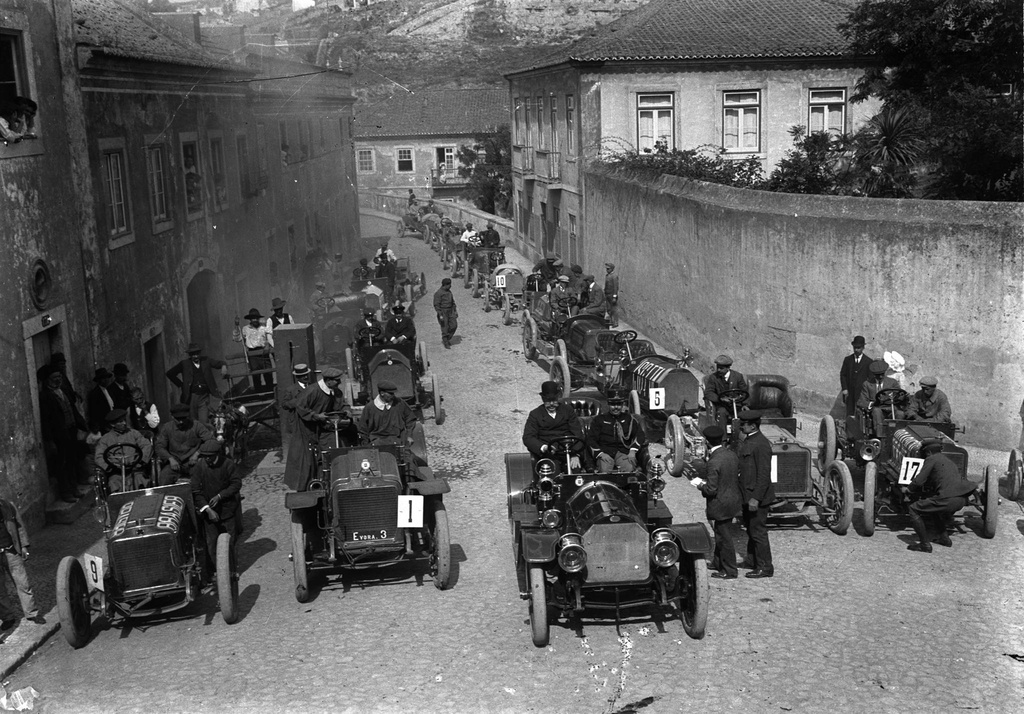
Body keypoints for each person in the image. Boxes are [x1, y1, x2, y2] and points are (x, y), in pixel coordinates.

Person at [906, 438, 976, 552]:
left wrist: (908, 489)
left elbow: (919, 481)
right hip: (961, 500)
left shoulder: (931, 459)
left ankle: (925, 545)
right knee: (933, 510)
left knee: (913, 509)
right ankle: (944, 538)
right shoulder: (948, 461)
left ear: (928, 452)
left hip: (947, 499)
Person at [284, 366, 349, 491]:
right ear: (328, 380)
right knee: (306, 459)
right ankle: (306, 487)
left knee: (330, 450)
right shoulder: (312, 390)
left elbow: (341, 404)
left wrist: (346, 410)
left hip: (322, 426)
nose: (339, 382)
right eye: (337, 380)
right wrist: (315, 415)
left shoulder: (335, 391)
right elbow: (300, 406)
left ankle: (330, 480)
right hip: (305, 427)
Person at [691, 425, 742, 579]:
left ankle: (729, 570)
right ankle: (717, 562)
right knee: (720, 532)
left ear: (707, 443)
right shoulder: (731, 455)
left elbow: (711, 490)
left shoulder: (714, 462)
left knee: (723, 536)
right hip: (732, 500)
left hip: (720, 504)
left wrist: (700, 484)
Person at [191, 438, 242, 584]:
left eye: (210, 456)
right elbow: (195, 490)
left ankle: (231, 571)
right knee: (211, 543)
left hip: (227, 511)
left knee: (230, 542)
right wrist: (207, 509)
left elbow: (236, 483)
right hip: (209, 514)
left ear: (217, 454)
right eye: (205, 456)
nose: (208, 459)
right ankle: (216, 573)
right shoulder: (200, 467)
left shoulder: (227, 465)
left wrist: (220, 496)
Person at [37, 364, 84, 503]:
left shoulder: (63, 391)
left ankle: (74, 487)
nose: (58, 379)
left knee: (72, 460)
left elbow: (73, 410)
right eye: (55, 377)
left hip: (71, 431)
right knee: (62, 464)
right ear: (48, 380)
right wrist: (50, 440)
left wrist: (80, 425)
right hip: (59, 436)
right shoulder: (46, 396)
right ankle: (66, 492)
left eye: (59, 376)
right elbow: (45, 420)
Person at [737, 409, 774, 578]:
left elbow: (764, 475)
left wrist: (756, 498)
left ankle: (765, 567)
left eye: (743, 424)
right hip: (748, 496)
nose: (740, 426)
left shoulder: (761, 444)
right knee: (751, 530)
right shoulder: (750, 440)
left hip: (756, 498)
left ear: (752, 426)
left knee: (758, 532)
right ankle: (752, 560)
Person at [0, 496, 44, 630]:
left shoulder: (8, 506)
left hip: (11, 551)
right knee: (0, 590)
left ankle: (32, 613)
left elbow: (19, 527)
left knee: (23, 583)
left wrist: (23, 546)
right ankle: (7, 617)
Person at [522, 381, 584, 469]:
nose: (551, 404)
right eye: (548, 400)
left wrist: (576, 454)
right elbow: (528, 437)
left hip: (568, 451)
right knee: (552, 473)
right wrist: (543, 447)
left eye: (554, 400)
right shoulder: (535, 414)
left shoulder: (567, 410)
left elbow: (577, 433)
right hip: (548, 455)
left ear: (558, 397)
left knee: (576, 475)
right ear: (543, 399)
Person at [165, 343, 228, 425]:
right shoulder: (184, 364)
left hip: (204, 397)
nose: (195, 356)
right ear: (190, 355)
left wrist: (224, 366)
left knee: (204, 421)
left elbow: (219, 363)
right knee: (193, 421)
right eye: (193, 354)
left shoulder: (206, 361)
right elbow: (170, 373)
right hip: (191, 397)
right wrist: (181, 385)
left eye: (197, 353)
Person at [586, 389, 646, 472]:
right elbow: (591, 439)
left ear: (622, 405)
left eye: (619, 404)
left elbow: (639, 435)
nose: (616, 407)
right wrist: (600, 454)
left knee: (628, 469)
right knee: (604, 470)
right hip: (605, 453)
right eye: (613, 404)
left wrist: (633, 451)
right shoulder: (599, 420)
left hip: (623, 453)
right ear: (608, 404)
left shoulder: (629, 419)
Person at [94, 409, 153, 493]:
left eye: (124, 420)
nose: (124, 423)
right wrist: (109, 467)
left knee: (140, 481)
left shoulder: (133, 433)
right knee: (114, 484)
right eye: (120, 422)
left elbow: (146, 445)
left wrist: (141, 461)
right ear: (112, 424)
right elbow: (99, 456)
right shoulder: (105, 439)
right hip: (116, 472)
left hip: (135, 469)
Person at [155, 403, 213, 486]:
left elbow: (211, 441)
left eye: (184, 418)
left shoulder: (197, 426)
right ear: (172, 416)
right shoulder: (167, 428)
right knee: (164, 478)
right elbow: (159, 447)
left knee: (204, 477)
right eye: (178, 419)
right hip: (175, 462)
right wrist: (170, 458)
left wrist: (197, 454)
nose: (181, 421)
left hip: (193, 462)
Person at [358, 381, 416, 445]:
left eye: (393, 393)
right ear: (382, 393)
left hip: (398, 440)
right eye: (390, 393)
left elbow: (410, 419)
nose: (393, 396)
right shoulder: (369, 407)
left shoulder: (400, 403)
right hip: (376, 442)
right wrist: (365, 444)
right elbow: (363, 428)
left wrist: (409, 435)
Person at [857, 360, 905, 434]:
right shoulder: (867, 384)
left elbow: (899, 394)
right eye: (878, 375)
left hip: (891, 408)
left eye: (882, 374)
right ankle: (881, 436)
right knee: (877, 411)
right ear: (873, 374)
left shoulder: (893, 382)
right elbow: (862, 401)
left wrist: (899, 398)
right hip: (877, 409)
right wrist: (873, 403)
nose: (881, 376)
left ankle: (897, 436)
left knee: (900, 413)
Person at [233, 308, 274, 394]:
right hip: (252, 353)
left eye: (256, 318)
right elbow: (237, 338)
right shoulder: (245, 329)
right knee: (256, 374)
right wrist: (237, 326)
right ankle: (259, 394)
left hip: (263, 352)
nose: (255, 320)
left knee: (268, 373)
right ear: (250, 319)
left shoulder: (264, 327)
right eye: (253, 318)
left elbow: (270, 338)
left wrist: (268, 345)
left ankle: (271, 392)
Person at [704, 355, 748, 431]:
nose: (718, 370)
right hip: (722, 405)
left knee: (744, 415)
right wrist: (720, 399)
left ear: (728, 368)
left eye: (721, 368)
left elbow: (744, 392)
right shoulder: (713, 377)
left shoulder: (738, 376)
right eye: (718, 367)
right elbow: (708, 392)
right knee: (721, 413)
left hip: (736, 405)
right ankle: (723, 439)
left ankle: (740, 438)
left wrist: (744, 404)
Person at [840, 335, 874, 418]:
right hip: (850, 392)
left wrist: (867, 393)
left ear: (863, 348)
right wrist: (844, 389)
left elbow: (870, 378)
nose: (856, 350)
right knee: (849, 412)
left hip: (862, 392)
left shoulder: (868, 361)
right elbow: (843, 374)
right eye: (854, 347)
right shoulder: (848, 360)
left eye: (858, 348)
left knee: (860, 412)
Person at [86, 367, 116, 433]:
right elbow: (94, 412)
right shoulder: (95, 394)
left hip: (112, 423)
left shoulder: (109, 390)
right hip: (103, 426)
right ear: (99, 380)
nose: (106, 380)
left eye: (107, 378)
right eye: (103, 378)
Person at [433, 278, 458, 349]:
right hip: (443, 312)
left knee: (454, 325)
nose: (450, 286)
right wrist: (440, 314)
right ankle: (445, 342)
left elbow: (452, 302)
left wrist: (455, 311)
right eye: (449, 285)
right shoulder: (438, 293)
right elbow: (436, 305)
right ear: (445, 285)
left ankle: (447, 338)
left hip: (450, 311)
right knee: (445, 327)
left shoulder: (449, 292)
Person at [604, 262, 620, 327]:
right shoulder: (607, 276)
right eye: (606, 269)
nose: (607, 270)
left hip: (612, 294)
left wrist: (614, 296)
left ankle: (615, 322)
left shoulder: (614, 276)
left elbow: (615, 287)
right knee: (609, 309)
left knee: (613, 309)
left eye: (608, 269)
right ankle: (611, 321)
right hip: (607, 294)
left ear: (612, 269)